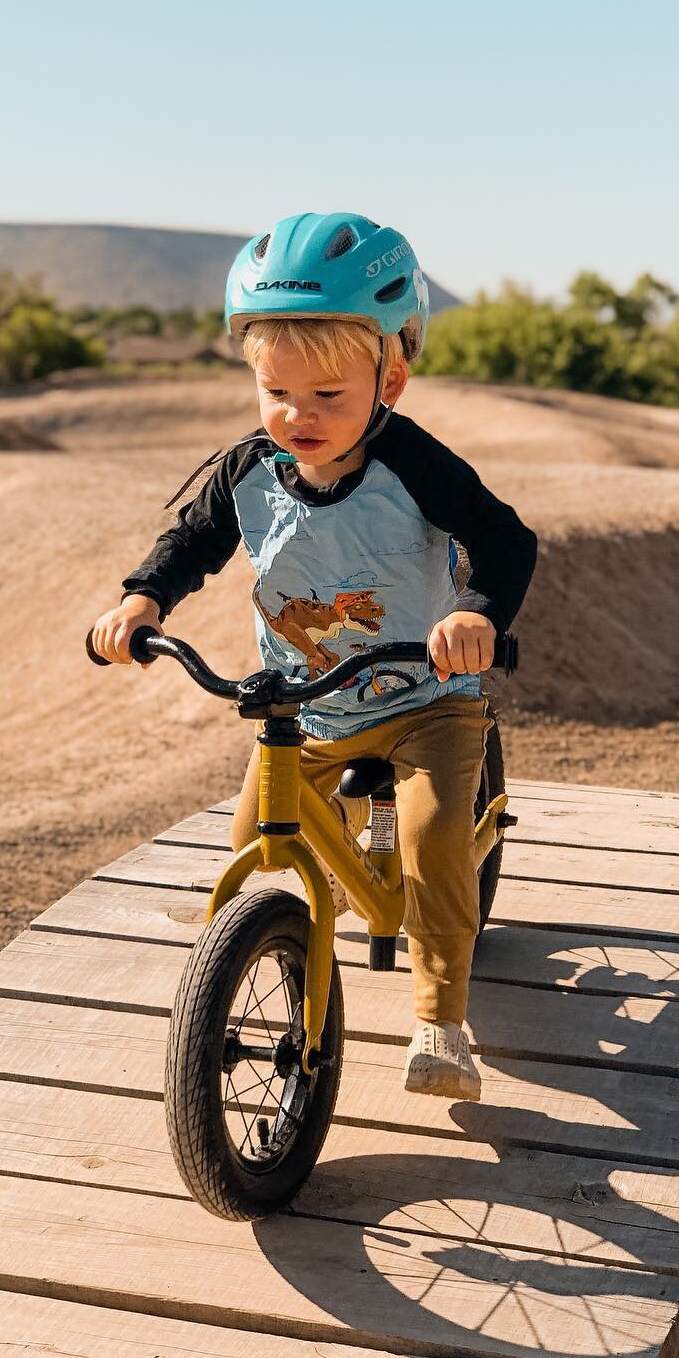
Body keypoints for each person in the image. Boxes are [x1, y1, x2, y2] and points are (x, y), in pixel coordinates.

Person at [89, 212, 536, 1100]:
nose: (299, 416)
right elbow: (193, 541)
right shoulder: (247, 468)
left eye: (329, 398)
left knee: (434, 837)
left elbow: (504, 538)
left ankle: (441, 1019)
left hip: (429, 697)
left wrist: (478, 613)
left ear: (391, 377)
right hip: (307, 704)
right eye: (276, 393)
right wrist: (142, 597)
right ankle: (268, 954)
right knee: (252, 840)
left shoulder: (414, 465)